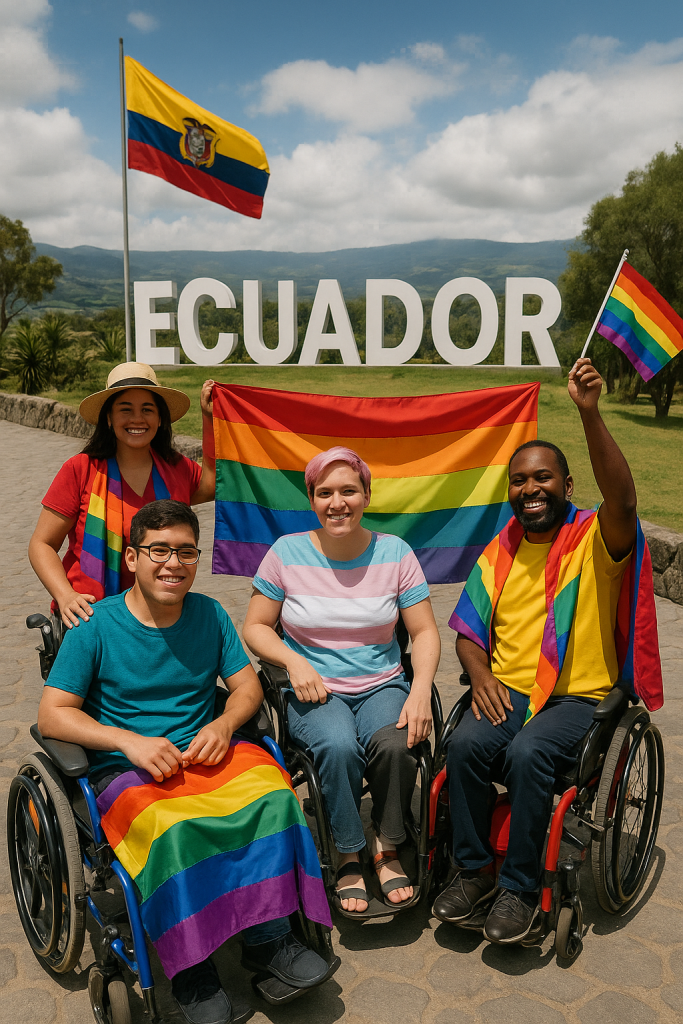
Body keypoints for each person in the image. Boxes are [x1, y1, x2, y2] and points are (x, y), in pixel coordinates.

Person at [37, 499, 335, 1024]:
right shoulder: (95, 625)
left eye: (185, 552)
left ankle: (269, 939)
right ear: (132, 558)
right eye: (158, 551)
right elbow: (53, 715)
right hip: (127, 766)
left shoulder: (209, 614)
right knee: (175, 830)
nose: (173, 563)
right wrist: (128, 741)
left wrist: (223, 724)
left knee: (275, 798)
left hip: (203, 749)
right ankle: (191, 969)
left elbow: (246, 689)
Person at [433, 357, 662, 945]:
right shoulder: (501, 550)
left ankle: (520, 887)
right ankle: (474, 871)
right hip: (509, 689)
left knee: (529, 752)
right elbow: (467, 631)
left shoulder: (593, 539)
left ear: (567, 485)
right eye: (519, 480)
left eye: (543, 478)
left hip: (576, 698)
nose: (530, 489)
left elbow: (625, 502)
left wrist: (590, 413)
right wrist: (479, 673)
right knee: (464, 745)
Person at [243, 447, 441, 914]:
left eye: (349, 491)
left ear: (366, 496)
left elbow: (424, 632)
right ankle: (348, 851)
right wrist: (293, 662)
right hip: (313, 687)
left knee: (397, 742)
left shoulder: (395, 553)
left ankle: (386, 844)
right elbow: (254, 627)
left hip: (382, 683)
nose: (337, 503)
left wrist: (418, 691)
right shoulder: (286, 552)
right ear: (312, 498)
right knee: (336, 745)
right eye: (325, 492)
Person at [29, 361, 216, 629]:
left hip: (160, 618)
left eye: (147, 409)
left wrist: (209, 418)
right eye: (125, 409)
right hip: (90, 618)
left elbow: (211, 485)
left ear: (160, 418)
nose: (137, 419)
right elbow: (42, 544)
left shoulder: (177, 468)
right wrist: (65, 595)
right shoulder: (80, 469)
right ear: (109, 417)